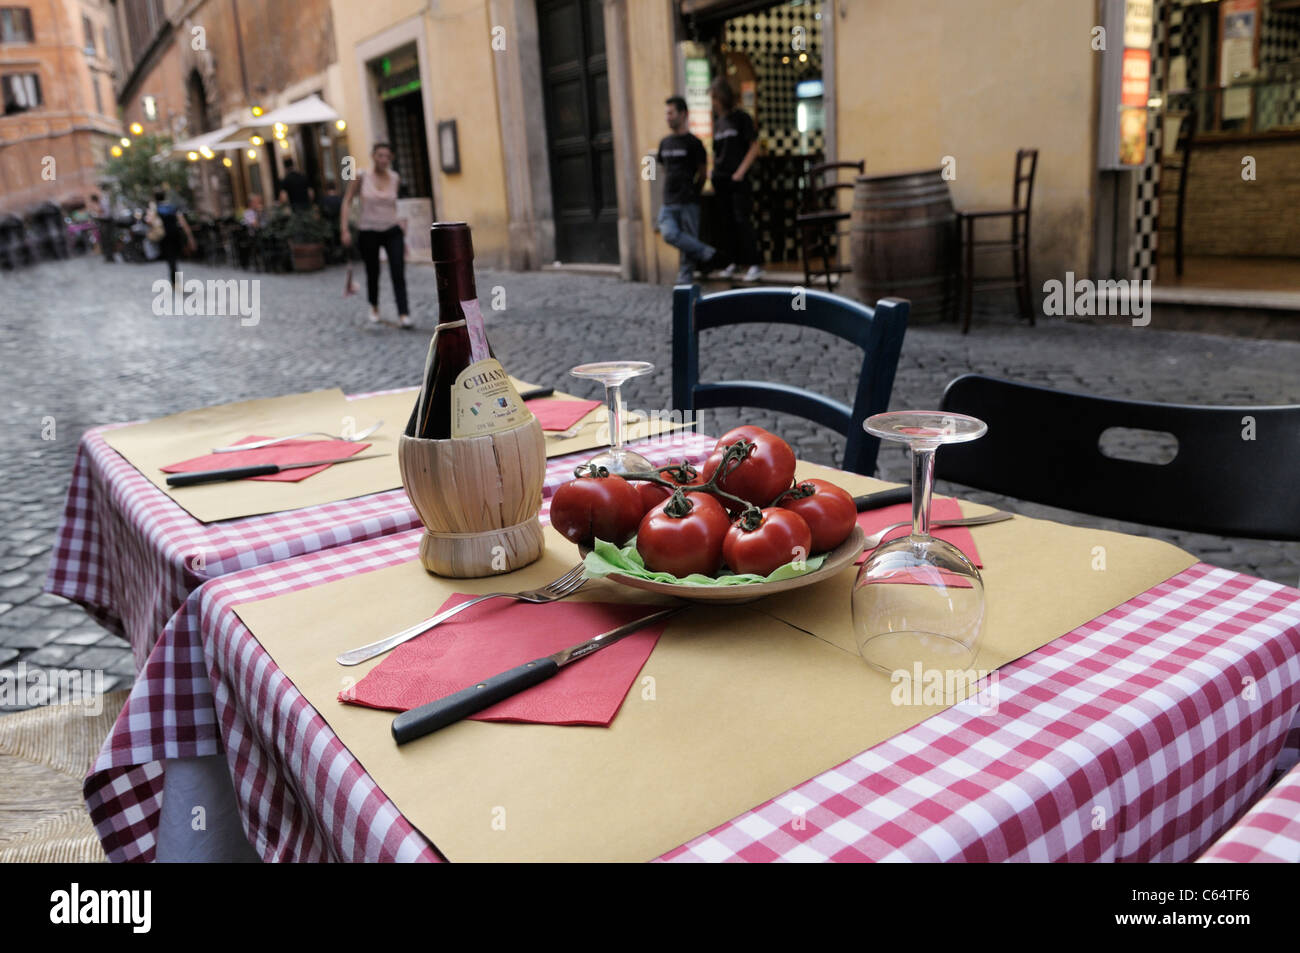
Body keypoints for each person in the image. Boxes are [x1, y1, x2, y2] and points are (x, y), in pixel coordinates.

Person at [340, 142, 411, 329]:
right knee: (373, 272)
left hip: (392, 229)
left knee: (398, 270)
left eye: (387, 156)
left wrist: (403, 224)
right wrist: (344, 229)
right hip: (368, 230)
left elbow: (396, 205)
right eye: (380, 155)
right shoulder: (362, 176)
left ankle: (404, 313)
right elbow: (346, 201)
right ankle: (374, 307)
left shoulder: (395, 178)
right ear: (373, 156)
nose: (384, 160)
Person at [655, 96, 715, 284]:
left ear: (683, 114)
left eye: (671, 113)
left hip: (689, 200)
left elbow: (703, 174)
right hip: (669, 201)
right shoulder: (664, 143)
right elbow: (661, 168)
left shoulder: (694, 143)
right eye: (666, 113)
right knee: (668, 233)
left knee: (687, 250)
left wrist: (694, 191)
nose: (668, 117)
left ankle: (684, 284)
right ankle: (706, 252)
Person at [709, 78, 764, 282]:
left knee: (742, 219)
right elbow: (717, 152)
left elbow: (754, 147)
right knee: (726, 221)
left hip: (738, 178)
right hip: (721, 177)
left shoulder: (742, 118)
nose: (712, 102)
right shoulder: (718, 123)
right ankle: (733, 261)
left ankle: (755, 263)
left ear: (723, 97)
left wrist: (740, 172)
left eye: (714, 97)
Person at [146, 189, 194, 287]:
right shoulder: (172, 207)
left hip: (164, 235)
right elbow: (182, 222)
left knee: (170, 259)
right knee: (174, 258)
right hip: (175, 234)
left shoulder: (156, 208)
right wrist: (189, 236)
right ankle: (175, 280)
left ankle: (174, 281)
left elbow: (149, 221)